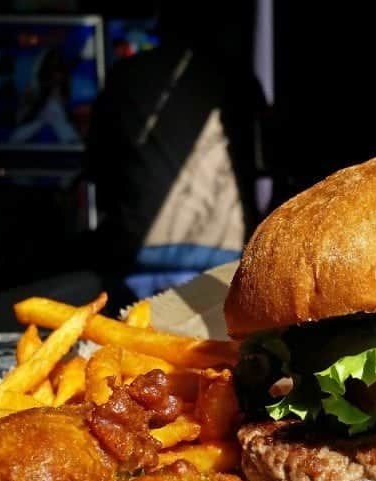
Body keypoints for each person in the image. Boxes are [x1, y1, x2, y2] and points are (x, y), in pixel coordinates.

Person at [83, 2, 264, 302]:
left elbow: (97, 167)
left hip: (138, 247)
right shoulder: (236, 78)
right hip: (224, 250)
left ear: (162, 24)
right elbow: (262, 159)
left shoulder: (126, 75)